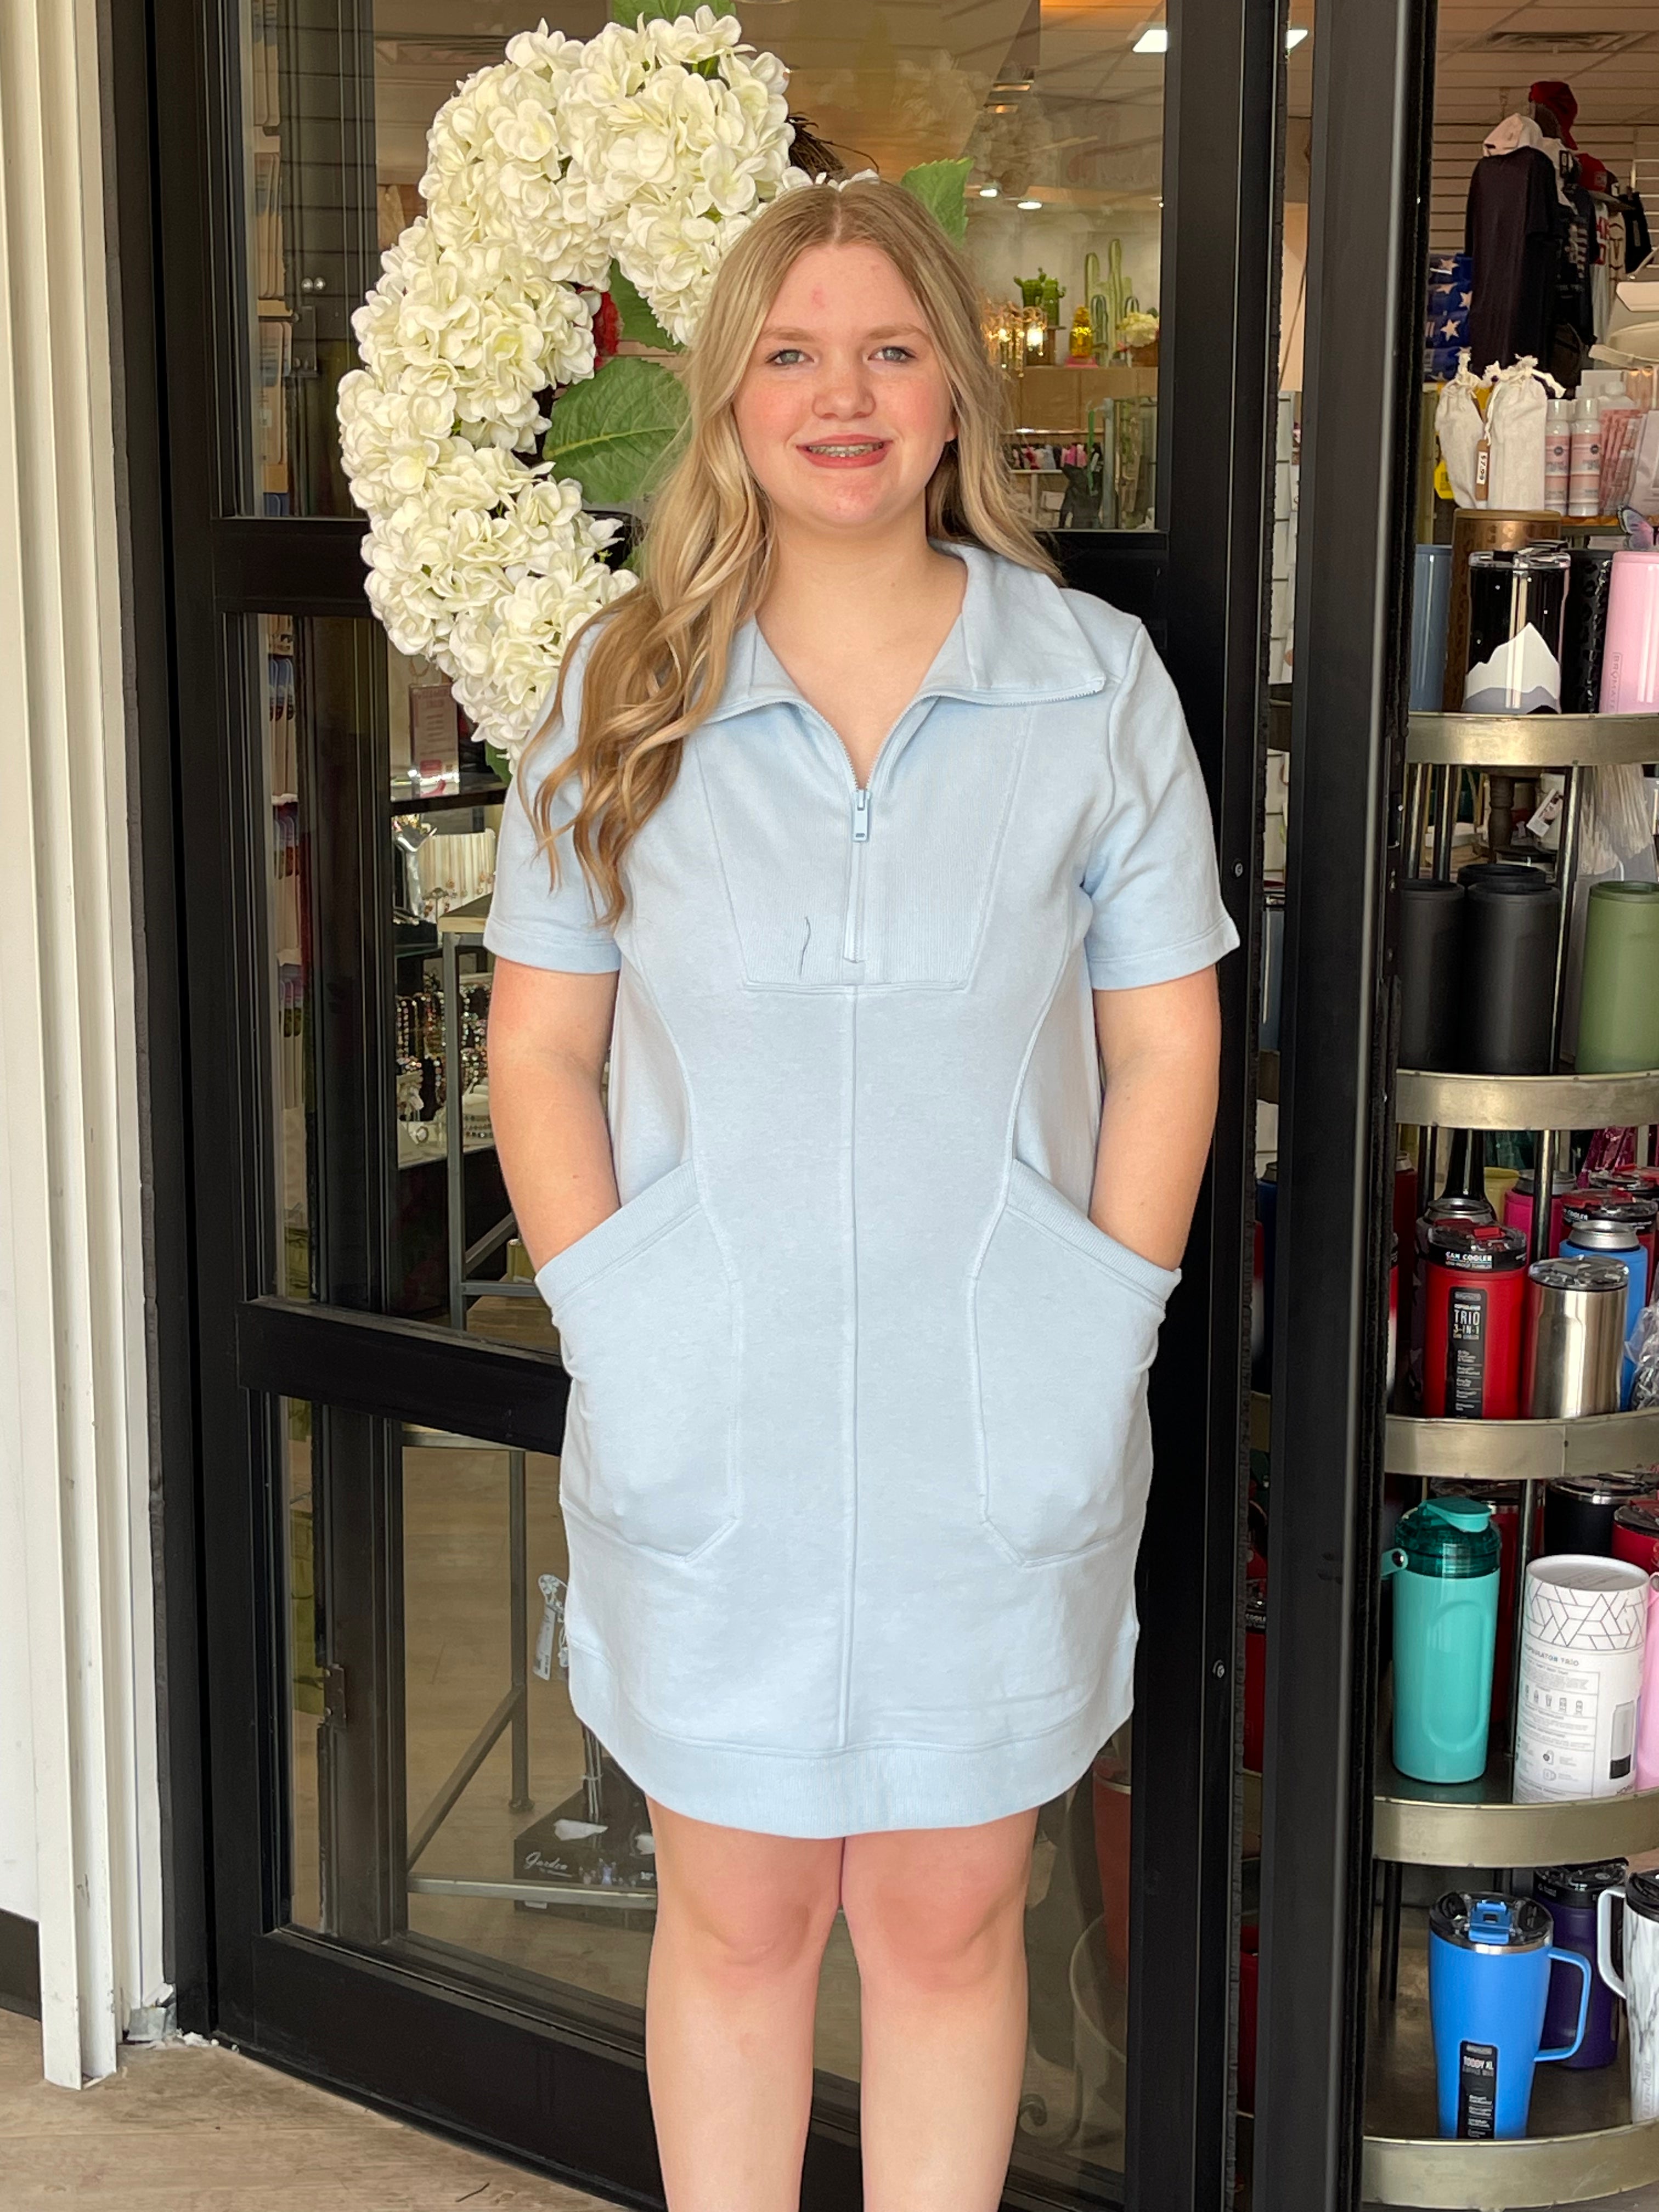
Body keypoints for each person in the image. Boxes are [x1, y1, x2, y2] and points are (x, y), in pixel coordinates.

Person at [485, 174, 1235, 2212]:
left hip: (995, 1409)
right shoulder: (619, 689)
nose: (844, 395)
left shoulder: (1094, 684)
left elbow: (1169, 1045)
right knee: (738, 1921)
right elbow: (540, 1048)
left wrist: (1101, 1322)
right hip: (709, 1402)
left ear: (956, 391)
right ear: (727, 399)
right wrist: (620, 1318)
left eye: (892, 349)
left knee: (946, 1920)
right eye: (793, 352)